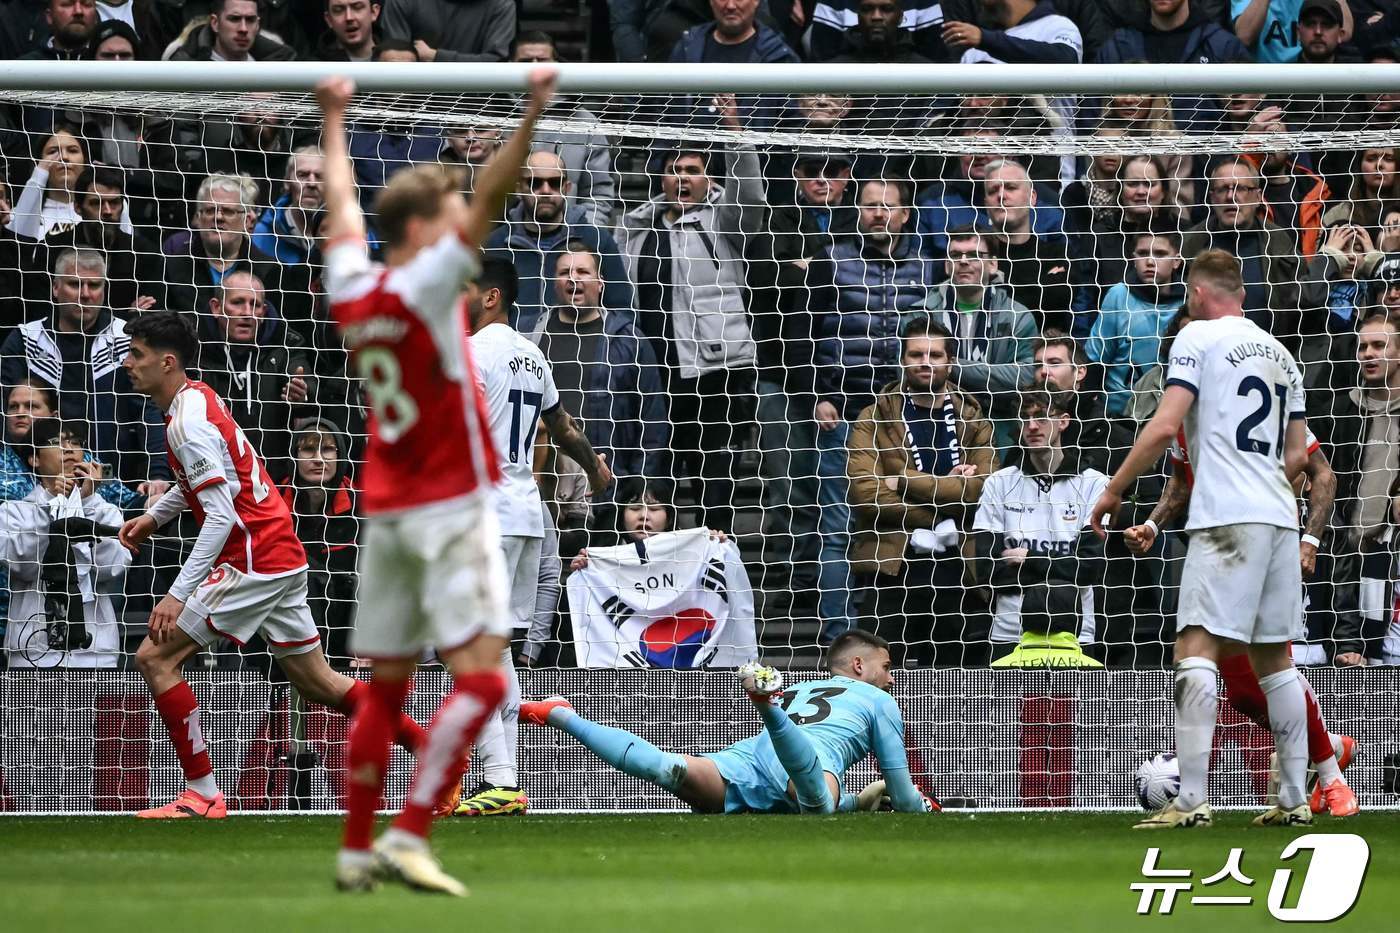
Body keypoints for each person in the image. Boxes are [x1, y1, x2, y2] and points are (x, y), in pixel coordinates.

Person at [317, 69, 557, 895]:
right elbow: (492, 194)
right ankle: (413, 828)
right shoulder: (426, 288)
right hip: (451, 509)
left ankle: (355, 848)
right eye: (448, 217)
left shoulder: (352, 286)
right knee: (487, 676)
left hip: (386, 512)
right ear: (423, 231)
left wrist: (333, 119)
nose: (463, 224)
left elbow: (342, 208)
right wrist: (530, 111)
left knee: (385, 686)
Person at [116, 313, 429, 823]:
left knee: (155, 659)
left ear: (166, 362)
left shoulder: (187, 423)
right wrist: (156, 515)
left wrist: (176, 595)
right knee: (320, 685)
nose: (129, 363)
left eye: (137, 354)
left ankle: (202, 794)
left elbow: (219, 516)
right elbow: (217, 483)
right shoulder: (197, 398)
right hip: (279, 552)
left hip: (251, 559)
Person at [1090, 249, 1315, 828]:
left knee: (1194, 649)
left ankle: (1189, 800)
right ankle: (1293, 799)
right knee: (1274, 660)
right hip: (1279, 516)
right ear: (1241, 293)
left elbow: (1166, 424)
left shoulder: (1197, 340)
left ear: (1195, 294)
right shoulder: (1283, 355)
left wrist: (1114, 490)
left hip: (1225, 518)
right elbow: (1297, 457)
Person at [1123, 423, 1359, 817]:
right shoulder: (1188, 417)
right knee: (1243, 691)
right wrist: (1151, 524)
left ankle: (1330, 776)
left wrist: (1310, 540)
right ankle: (1329, 747)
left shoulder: (1266, 397)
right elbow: (1180, 482)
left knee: (1270, 666)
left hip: (1270, 545)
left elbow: (1322, 472)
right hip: (1216, 551)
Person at [453, 255, 612, 818]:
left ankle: (495, 777)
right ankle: (500, 778)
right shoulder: (531, 352)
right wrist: (595, 469)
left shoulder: (473, 352)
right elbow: (562, 426)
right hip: (525, 514)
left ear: (489, 296)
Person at [519, 630, 936, 814]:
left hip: (751, 761)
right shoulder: (878, 700)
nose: (891, 676)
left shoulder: (804, 687)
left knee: (667, 768)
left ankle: (561, 714)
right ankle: (766, 707)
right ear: (860, 665)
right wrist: (923, 805)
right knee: (820, 806)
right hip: (808, 760)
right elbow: (903, 797)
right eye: (886, 667)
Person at [807, 176, 936, 641]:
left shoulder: (927, 265)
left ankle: (889, 639)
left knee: (899, 525)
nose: (878, 213)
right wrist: (818, 394)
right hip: (842, 413)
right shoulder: (832, 260)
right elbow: (804, 333)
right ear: (857, 211)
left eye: (888, 206)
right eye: (869, 206)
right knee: (839, 526)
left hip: (903, 417)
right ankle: (838, 637)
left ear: (904, 213)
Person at [619, 132, 762, 535]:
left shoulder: (724, 219)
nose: (682, 179)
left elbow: (750, 196)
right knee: (655, 482)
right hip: (654, 379)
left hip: (716, 376)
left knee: (714, 486)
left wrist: (737, 138)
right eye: (673, 170)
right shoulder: (635, 228)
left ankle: (717, 574)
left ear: (709, 181)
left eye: (692, 171)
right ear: (661, 179)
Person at [847, 319, 997, 666]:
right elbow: (866, 494)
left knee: (958, 687)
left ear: (951, 361)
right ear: (902, 359)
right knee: (879, 679)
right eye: (916, 354)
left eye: (934, 354)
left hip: (961, 566)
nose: (925, 362)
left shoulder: (973, 419)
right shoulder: (873, 418)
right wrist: (945, 502)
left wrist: (903, 481)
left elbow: (983, 491)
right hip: (892, 565)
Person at [0, 249, 169, 485]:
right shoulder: (25, 339)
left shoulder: (126, 339)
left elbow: (147, 411)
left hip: (114, 481)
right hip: (35, 483)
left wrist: (157, 474)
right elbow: (5, 413)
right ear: (55, 288)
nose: (85, 294)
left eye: (94, 285)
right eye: (75, 284)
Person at [970, 390, 1107, 668]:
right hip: (1009, 634)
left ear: (1064, 422)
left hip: (1077, 635)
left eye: (1042, 417)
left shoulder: (1094, 483)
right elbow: (987, 570)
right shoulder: (999, 483)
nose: (1032, 426)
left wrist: (1028, 559)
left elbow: (1089, 568)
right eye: (1024, 418)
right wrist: (1061, 566)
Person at [527, 242, 671, 481]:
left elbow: (652, 417)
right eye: (564, 273)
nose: (573, 279)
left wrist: (640, 480)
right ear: (554, 284)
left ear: (600, 282)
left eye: (583, 272)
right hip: (540, 477)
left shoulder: (630, 340)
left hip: (608, 479)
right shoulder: (529, 336)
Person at [1, 417, 130, 669]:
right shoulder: (13, 511)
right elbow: (25, 566)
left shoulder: (105, 511)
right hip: (30, 650)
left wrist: (88, 502)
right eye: (56, 442)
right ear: (34, 459)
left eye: (75, 441)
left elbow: (110, 569)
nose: (69, 448)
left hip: (97, 650)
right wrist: (51, 508)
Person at [1312, 311, 1400, 665]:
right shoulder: (1341, 409)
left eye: (1379, 345)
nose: (1368, 353)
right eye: (1362, 346)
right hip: (1346, 543)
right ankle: (1348, 649)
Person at [914, 225, 1038, 451]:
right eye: (955, 255)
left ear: (993, 264)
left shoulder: (1017, 317)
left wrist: (951, 365)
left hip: (1000, 435)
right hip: (934, 430)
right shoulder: (921, 315)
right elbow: (908, 375)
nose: (962, 261)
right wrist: (989, 376)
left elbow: (1026, 378)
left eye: (973, 255)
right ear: (946, 265)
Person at [483, 150, 633, 333]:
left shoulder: (597, 241)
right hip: (512, 355)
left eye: (554, 183)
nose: (545, 191)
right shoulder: (496, 245)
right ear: (518, 188)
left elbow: (623, 312)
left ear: (567, 187)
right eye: (535, 183)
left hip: (579, 354)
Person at [275, 416, 359, 667]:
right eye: (309, 449)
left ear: (340, 454)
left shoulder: (362, 504)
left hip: (347, 619)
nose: (318, 458)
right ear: (294, 455)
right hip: (288, 617)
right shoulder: (273, 501)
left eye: (327, 449)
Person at [37, 164, 166, 315]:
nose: (107, 211)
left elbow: (154, 318)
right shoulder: (50, 250)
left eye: (114, 203)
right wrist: (127, 315)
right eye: (96, 203)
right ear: (78, 207)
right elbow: (42, 313)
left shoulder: (146, 254)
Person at [1087, 231, 1187, 418]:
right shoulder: (1118, 296)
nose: (1150, 262)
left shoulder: (1188, 302)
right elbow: (1096, 359)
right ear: (1133, 259)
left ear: (1177, 261)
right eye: (1142, 253)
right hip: (1119, 416)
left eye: (1160, 254)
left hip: (1172, 414)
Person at [251, 146, 324, 266]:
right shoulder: (262, 235)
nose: (311, 183)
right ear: (287, 183)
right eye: (302, 175)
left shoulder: (349, 234)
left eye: (320, 176)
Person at [380, 0, 515, 61]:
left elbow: (496, 62)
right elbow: (396, 59)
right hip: (416, 103)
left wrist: (435, 56)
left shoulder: (501, 5)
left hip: (478, 103)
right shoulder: (404, 2)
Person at [168, 0, 298, 62]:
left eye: (250, 20)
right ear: (215, 23)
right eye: (234, 19)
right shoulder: (185, 65)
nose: (243, 29)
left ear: (258, 25)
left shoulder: (280, 64)